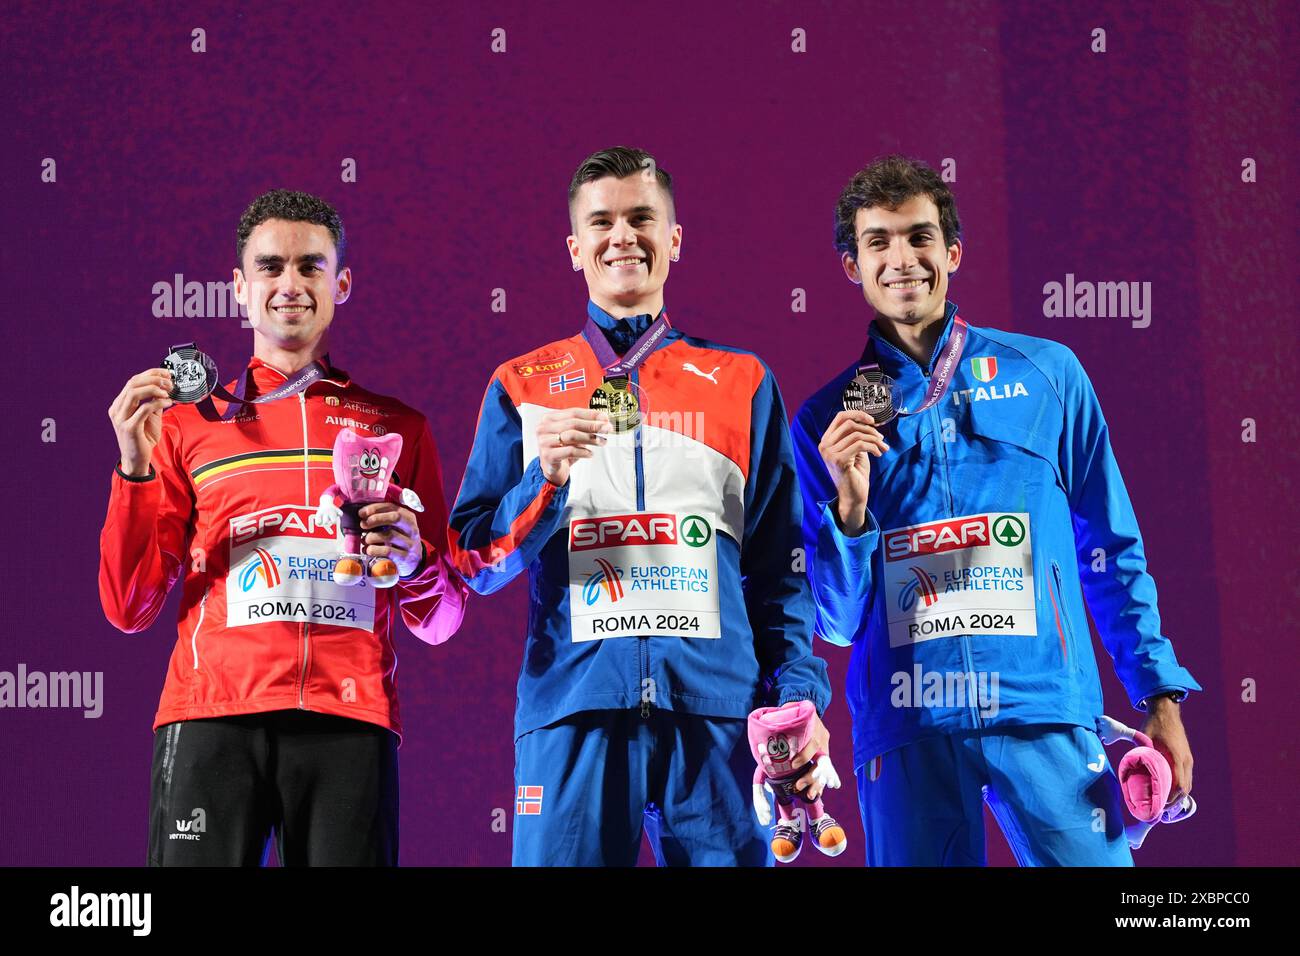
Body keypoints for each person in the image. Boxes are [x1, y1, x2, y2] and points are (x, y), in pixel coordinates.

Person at [792, 155, 1199, 866]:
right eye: (877, 242)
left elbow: (1111, 547)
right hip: (908, 726)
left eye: (919, 237)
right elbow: (833, 620)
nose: (901, 259)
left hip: (1043, 711)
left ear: (952, 252)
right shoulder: (827, 421)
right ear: (852, 267)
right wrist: (850, 513)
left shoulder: (1047, 374)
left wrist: (1157, 693)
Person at [449, 147, 834, 866]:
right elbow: (472, 563)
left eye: (641, 218)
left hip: (719, 719)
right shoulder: (520, 384)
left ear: (675, 238)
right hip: (573, 715)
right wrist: (544, 482)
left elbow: (782, 573)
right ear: (574, 248)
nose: (622, 236)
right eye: (602, 222)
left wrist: (800, 695)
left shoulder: (742, 381)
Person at [100, 189, 467, 866]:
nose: (289, 285)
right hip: (212, 717)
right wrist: (133, 465)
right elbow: (128, 606)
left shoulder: (398, 427)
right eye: (270, 267)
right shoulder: (185, 424)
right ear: (240, 288)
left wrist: (414, 563)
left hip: (349, 722)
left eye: (310, 266)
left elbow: (441, 621)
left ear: (342, 283)